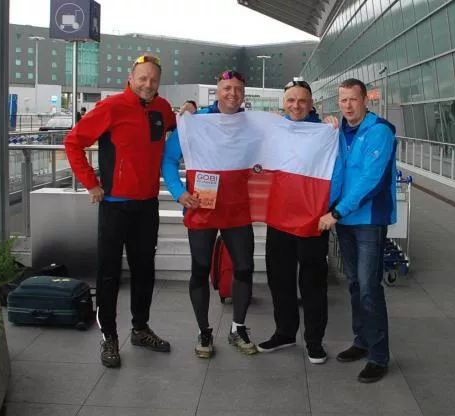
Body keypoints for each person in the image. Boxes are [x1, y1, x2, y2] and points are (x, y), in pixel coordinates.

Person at [64, 55, 177, 369]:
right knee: (108, 273)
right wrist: (91, 183)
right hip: (114, 206)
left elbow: (181, 125)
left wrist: (194, 110)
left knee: (144, 271)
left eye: (153, 79)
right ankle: (109, 336)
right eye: (142, 78)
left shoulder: (163, 108)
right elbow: (73, 143)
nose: (148, 84)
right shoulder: (111, 107)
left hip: (147, 206)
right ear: (131, 77)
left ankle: (140, 329)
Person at [162, 70, 258, 359]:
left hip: (237, 208)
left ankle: (238, 328)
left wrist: (322, 125)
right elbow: (168, 158)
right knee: (200, 269)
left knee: (244, 268)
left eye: (238, 89)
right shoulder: (196, 121)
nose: (233, 94)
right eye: (227, 88)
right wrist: (179, 192)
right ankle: (204, 330)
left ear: (244, 94)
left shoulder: (253, 124)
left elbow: (290, 134)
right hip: (201, 206)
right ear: (217, 91)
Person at [319, 78, 397, 383]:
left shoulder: (380, 132)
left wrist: (337, 211)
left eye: (353, 99)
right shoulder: (338, 131)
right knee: (354, 284)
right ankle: (362, 340)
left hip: (368, 221)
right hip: (345, 221)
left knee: (369, 287)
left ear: (365, 100)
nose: (348, 106)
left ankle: (379, 355)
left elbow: (370, 181)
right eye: (343, 100)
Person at [256, 80, 331, 364]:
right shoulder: (274, 130)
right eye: (290, 100)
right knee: (279, 280)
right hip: (279, 218)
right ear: (283, 103)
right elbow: (230, 122)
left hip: (312, 220)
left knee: (313, 283)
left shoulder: (325, 132)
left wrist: (332, 126)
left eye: (301, 101)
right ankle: (285, 332)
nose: (296, 106)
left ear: (311, 104)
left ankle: (314, 341)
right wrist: (194, 110)